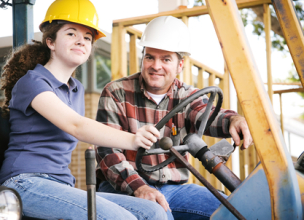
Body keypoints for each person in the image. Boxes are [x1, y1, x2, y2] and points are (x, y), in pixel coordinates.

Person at [0, 0, 170, 220]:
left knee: (152, 211)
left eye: (87, 38)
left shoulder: (75, 88)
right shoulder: (32, 82)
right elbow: (76, 126)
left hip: (61, 184)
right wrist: (134, 139)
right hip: (23, 183)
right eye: (71, 34)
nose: (81, 41)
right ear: (50, 42)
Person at [95, 16, 253, 220]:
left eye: (166, 59)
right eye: (150, 57)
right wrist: (139, 187)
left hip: (173, 189)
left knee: (234, 211)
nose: (156, 66)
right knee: (159, 214)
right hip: (122, 186)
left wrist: (232, 120)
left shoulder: (187, 96)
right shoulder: (116, 92)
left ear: (180, 65)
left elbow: (207, 114)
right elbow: (107, 151)